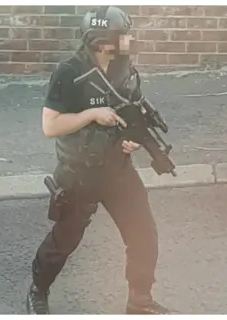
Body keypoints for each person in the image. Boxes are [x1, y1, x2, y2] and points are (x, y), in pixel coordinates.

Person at [25, 6, 171, 315]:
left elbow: (131, 114)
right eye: (122, 36)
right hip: (79, 173)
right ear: (102, 39)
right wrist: (92, 114)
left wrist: (131, 140)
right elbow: (50, 126)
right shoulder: (69, 72)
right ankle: (37, 290)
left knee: (143, 234)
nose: (128, 40)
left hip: (118, 171)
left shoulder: (125, 68)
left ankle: (139, 301)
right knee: (65, 240)